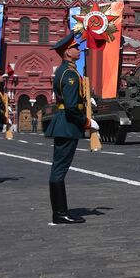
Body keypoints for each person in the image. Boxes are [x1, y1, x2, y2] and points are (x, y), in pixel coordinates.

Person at [44, 34, 90, 224]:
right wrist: (85, 121)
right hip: (67, 124)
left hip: (64, 123)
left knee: (59, 168)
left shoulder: (66, 71)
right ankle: (60, 213)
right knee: (60, 169)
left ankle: (60, 212)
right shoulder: (69, 74)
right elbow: (71, 106)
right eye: (75, 48)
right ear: (67, 53)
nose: (79, 50)